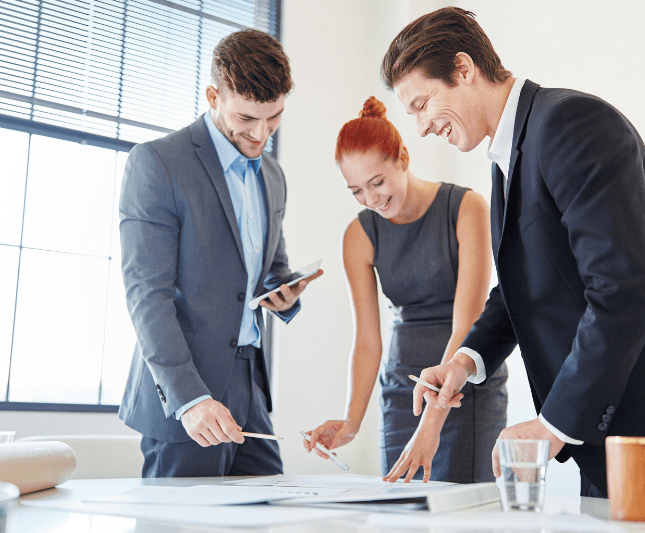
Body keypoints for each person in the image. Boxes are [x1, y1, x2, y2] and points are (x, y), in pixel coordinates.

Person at [380, 7, 645, 503]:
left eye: (422, 104)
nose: (423, 127)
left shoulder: (571, 124)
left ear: (463, 69)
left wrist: (554, 425)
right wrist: (466, 362)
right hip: (606, 420)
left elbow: (624, 290)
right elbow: (525, 284)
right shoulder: (509, 153)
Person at [118, 30, 322, 478]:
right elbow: (146, 294)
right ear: (213, 95)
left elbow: (272, 270)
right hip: (188, 391)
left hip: (251, 385)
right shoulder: (159, 163)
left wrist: (283, 294)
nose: (260, 133)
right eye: (247, 117)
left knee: (263, 523)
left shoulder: (272, 175)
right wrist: (189, 398)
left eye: (274, 118)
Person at [304, 97, 508, 483]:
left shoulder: (467, 209)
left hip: (464, 386)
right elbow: (367, 340)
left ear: (403, 157)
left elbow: (468, 322)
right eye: (357, 191)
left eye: (377, 182)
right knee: (402, 521)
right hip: (403, 394)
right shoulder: (360, 235)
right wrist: (352, 420)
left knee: (464, 520)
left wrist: (430, 427)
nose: (371, 199)